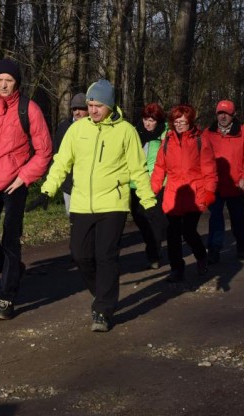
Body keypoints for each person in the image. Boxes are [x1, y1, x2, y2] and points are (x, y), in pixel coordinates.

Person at [32, 80, 158, 332]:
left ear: (109, 105)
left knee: (106, 255)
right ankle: (101, 291)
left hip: (113, 203)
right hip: (81, 203)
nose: (92, 110)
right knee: (80, 254)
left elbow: (138, 170)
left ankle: (103, 309)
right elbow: (61, 162)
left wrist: (149, 203)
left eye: (98, 105)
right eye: (90, 105)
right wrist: (48, 189)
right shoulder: (77, 131)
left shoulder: (125, 131)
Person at [0, 59, 53, 320]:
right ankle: (12, 270)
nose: (3, 85)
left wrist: (25, 176)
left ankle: (6, 297)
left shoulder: (30, 110)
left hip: (15, 183)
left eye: (9, 81)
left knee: (10, 240)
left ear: (17, 83)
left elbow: (44, 152)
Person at [151, 104, 218, 283]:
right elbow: (159, 168)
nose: (179, 124)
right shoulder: (167, 142)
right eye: (176, 121)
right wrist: (153, 190)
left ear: (190, 122)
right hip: (173, 194)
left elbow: (209, 168)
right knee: (172, 234)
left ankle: (201, 256)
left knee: (188, 231)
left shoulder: (200, 141)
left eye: (183, 121)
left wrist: (210, 191)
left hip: (195, 193)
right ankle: (176, 269)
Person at [202, 99, 244, 262]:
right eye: (220, 113)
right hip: (215, 184)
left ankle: (241, 243)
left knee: (238, 217)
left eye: (226, 113)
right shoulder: (208, 133)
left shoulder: (243, 133)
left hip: (236, 185)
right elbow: (201, 158)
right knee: (216, 218)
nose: (223, 116)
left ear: (233, 115)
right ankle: (214, 249)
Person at [130, 103, 167, 268]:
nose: (148, 123)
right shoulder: (133, 132)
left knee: (156, 219)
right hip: (135, 183)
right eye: (146, 119)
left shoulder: (166, 133)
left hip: (157, 182)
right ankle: (152, 245)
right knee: (139, 217)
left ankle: (154, 254)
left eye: (152, 120)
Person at [52, 93, 89, 214]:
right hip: (68, 184)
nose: (77, 112)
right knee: (72, 216)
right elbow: (57, 155)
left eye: (81, 109)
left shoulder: (96, 128)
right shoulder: (63, 128)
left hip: (89, 184)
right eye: (74, 109)